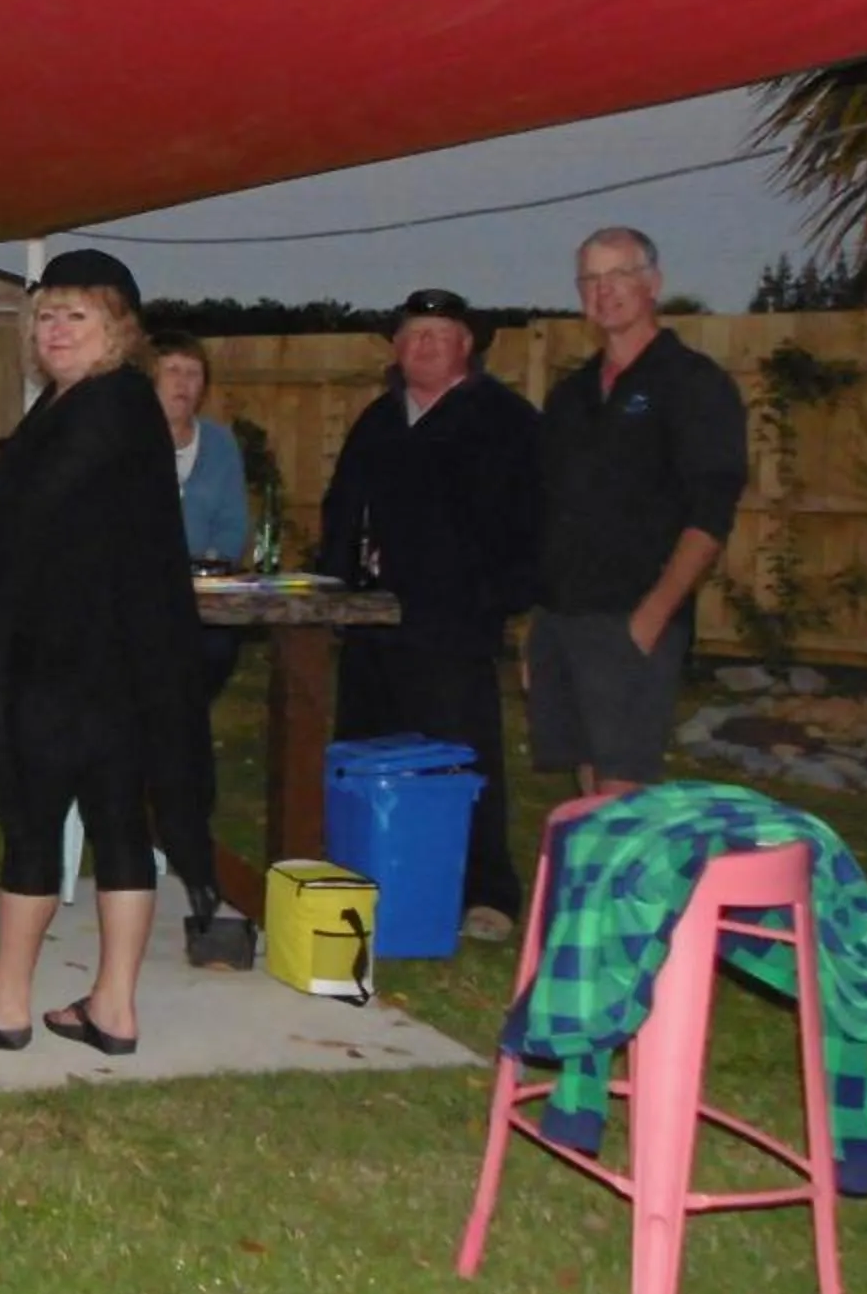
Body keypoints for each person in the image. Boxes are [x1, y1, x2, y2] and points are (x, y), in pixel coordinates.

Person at [0, 249, 215, 1058]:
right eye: (46, 314)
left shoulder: (105, 404)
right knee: (117, 824)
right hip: (117, 656)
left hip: (71, 657)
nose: (55, 329)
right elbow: (51, 480)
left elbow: (35, 506)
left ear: (117, 329)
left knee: (36, 822)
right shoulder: (94, 403)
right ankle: (112, 1008)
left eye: (76, 315)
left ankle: (5, 1003)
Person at [312, 288, 542, 941]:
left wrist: (495, 597)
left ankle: (485, 894)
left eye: (439, 335)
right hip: (373, 622)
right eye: (413, 335)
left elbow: (532, 522)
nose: (423, 345)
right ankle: (365, 875)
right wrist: (340, 585)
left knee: (461, 761)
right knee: (363, 751)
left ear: (467, 345)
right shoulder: (379, 420)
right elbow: (341, 509)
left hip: (453, 624)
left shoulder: (506, 420)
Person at [532, 227, 749, 799]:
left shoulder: (692, 384)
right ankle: (593, 889)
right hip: (564, 616)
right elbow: (550, 511)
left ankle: (624, 890)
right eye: (591, 279)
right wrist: (539, 624)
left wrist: (653, 615)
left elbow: (711, 512)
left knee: (621, 787)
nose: (605, 291)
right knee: (586, 778)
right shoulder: (571, 396)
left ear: (652, 283)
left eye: (619, 275)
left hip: (633, 616)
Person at [152, 330, 253, 699]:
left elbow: (233, 522)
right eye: (172, 371)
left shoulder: (220, 442)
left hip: (205, 591)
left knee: (214, 649)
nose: (183, 384)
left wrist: (211, 564)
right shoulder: (129, 440)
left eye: (193, 374)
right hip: (142, 591)